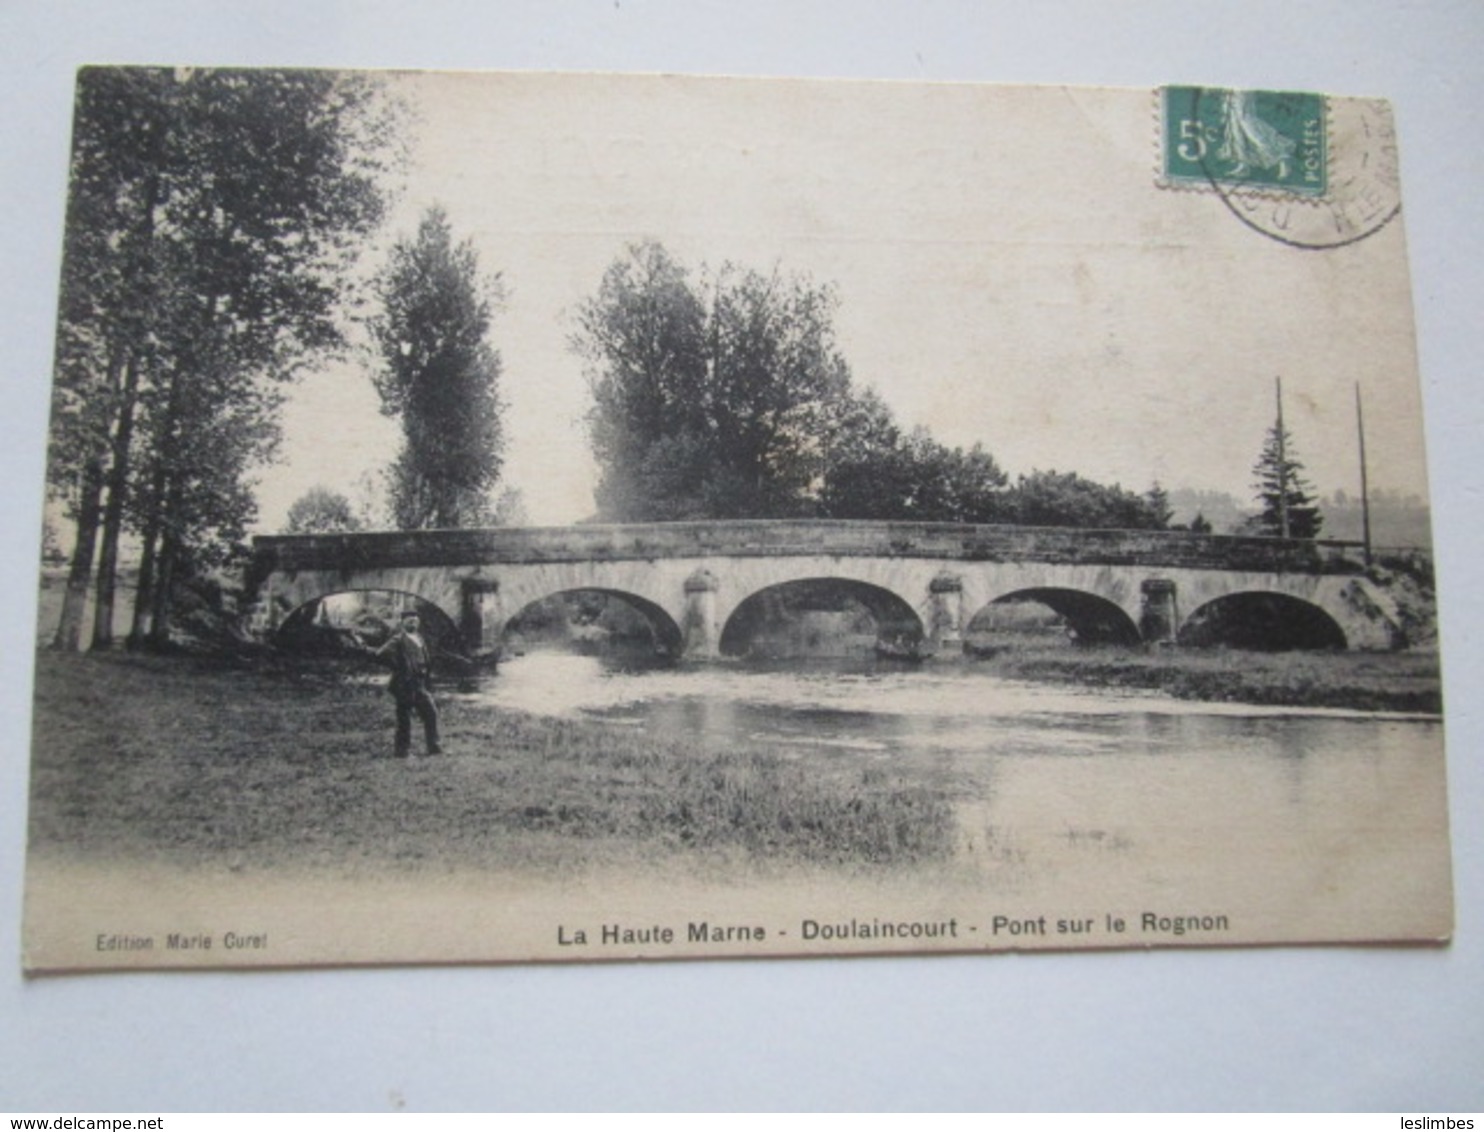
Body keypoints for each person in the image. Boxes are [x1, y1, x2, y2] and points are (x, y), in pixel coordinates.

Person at [373, 610, 442, 758]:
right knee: (404, 719)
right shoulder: (398, 639)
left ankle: (434, 748)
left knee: (431, 713)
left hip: (420, 683)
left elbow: (425, 660)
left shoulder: (419, 638)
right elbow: (380, 654)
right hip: (404, 684)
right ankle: (402, 752)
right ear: (402, 622)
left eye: (416, 621)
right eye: (410, 621)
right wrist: (398, 667)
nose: (413, 623)